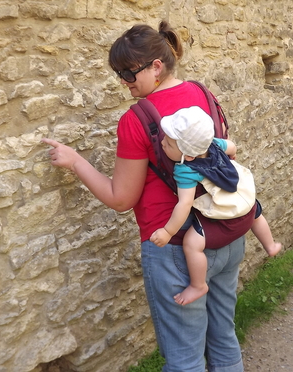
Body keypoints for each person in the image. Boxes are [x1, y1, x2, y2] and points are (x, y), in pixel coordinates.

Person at [42, 21, 250, 372]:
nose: (123, 82)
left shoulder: (136, 119)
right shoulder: (202, 93)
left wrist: (76, 161)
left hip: (175, 247)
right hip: (226, 231)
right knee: (223, 337)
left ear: (155, 66)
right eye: (118, 74)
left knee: (185, 359)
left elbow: (121, 199)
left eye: (128, 73)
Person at [150, 106, 283, 306]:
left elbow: (185, 204)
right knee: (255, 211)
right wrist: (232, 156)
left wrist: (168, 231)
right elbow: (232, 147)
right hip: (245, 205)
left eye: (168, 144)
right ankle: (270, 245)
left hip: (226, 218)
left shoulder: (186, 170)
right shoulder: (213, 144)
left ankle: (198, 285)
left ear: (189, 156)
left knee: (191, 244)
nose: (162, 143)